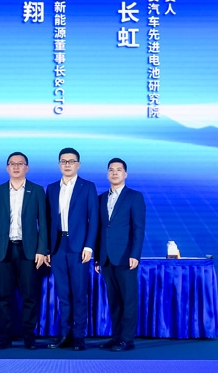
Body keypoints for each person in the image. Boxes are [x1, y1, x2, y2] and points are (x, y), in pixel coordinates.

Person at [0, 152, 49, 350]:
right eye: (12, 164)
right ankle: (4, 337)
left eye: (20, 164)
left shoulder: (37, 190)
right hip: (4, 250)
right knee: (4, 296)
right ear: (7, 168)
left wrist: (42, 250)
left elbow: (44, 223)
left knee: (29, 296)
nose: (16, 167)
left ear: (26, 168)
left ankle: (29, 337)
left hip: (28, 251)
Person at [46, 147, 98, 351]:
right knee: (63, 294)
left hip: (79, 247)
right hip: (57, 247)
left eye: (71, 161)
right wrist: (47, 249)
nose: (67, 164)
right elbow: (47, 221)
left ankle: (79, 336)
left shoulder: (88, 186)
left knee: (79, 294)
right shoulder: (51, 188)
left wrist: (89, 246)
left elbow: (93, 219)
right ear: (59, 164)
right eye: (63, 161)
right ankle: (64, 335)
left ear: (78, 164)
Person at [95, 158, 146, 352]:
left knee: (128, 300)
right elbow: (100, 230)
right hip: (106, 258)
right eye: (111, 170)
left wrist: (135, 254)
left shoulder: (134, 196)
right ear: (107, 174)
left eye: (118, 170)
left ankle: (127, 339)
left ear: (125, 174)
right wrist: (98, 257)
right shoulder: (101, 198)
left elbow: (138, 228)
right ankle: (116, 337)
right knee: (114, 301)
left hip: (126, 257)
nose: (114, 173)